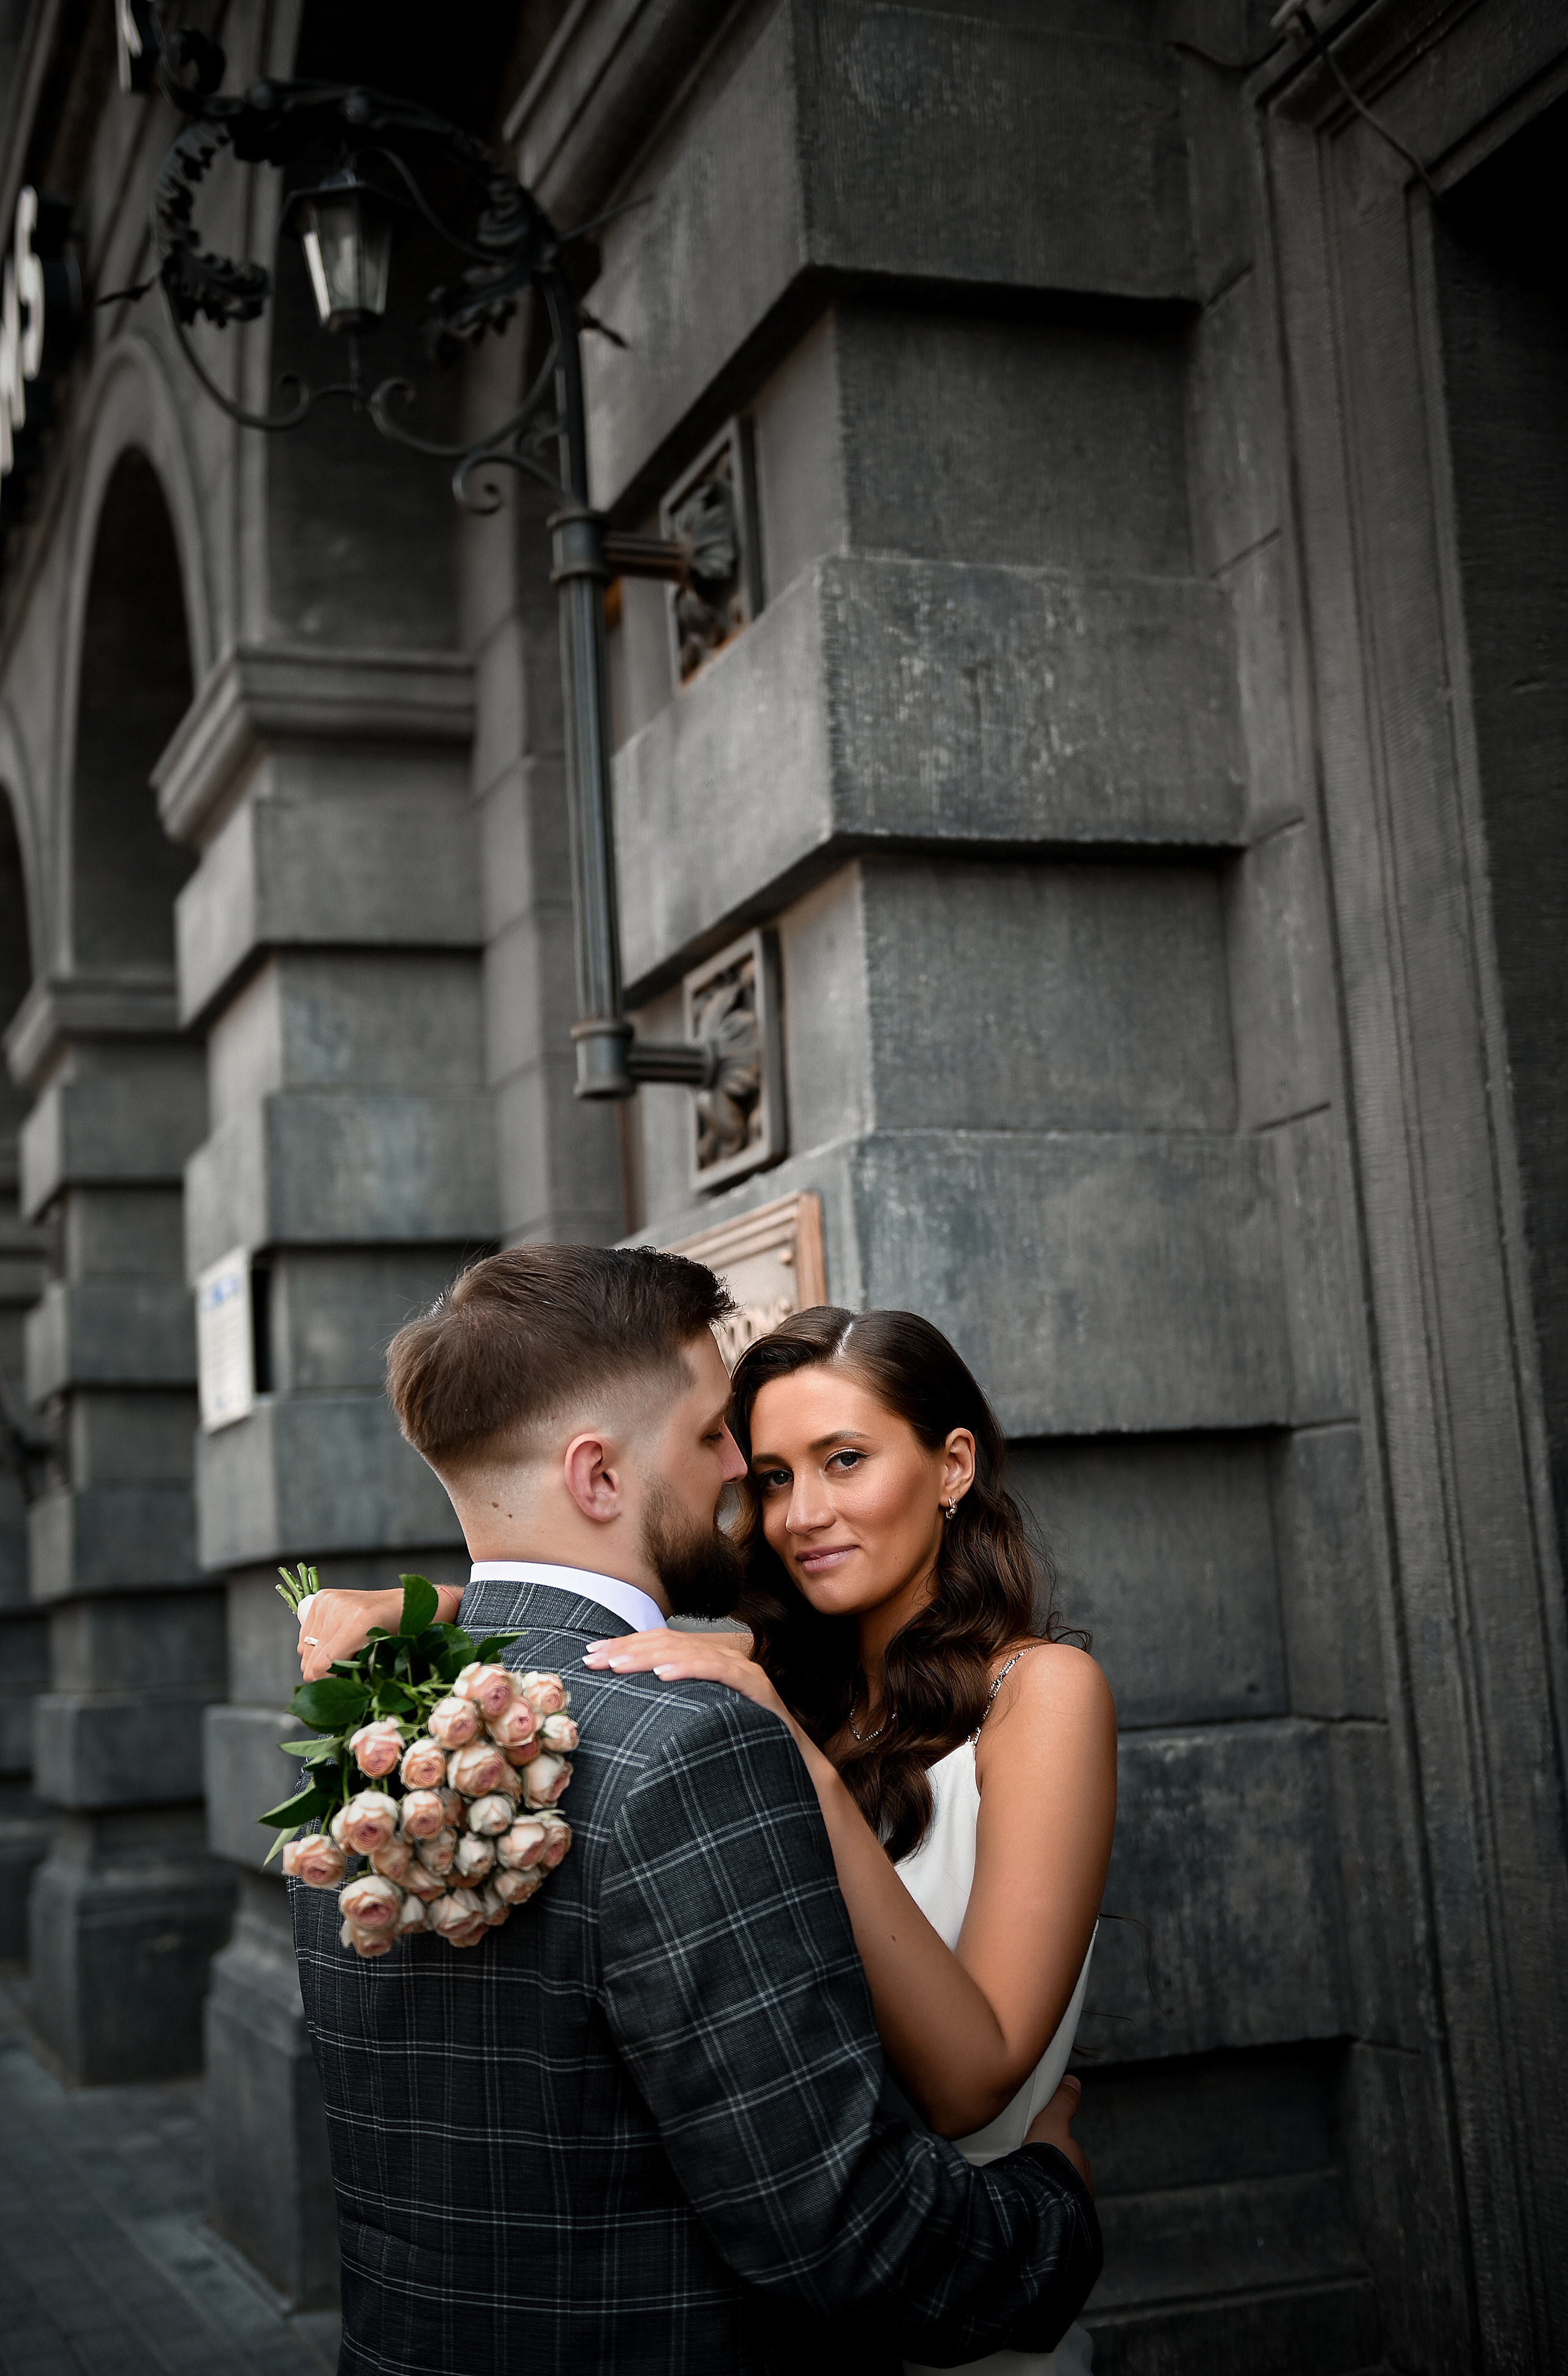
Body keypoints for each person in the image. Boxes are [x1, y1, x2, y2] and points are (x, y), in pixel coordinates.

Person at [291, 1243, 1101, 2375]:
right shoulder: (720, 1710)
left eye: (845, 1459)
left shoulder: (377, 1735)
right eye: (750, 1461)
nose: (766, 1499)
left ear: (953, 1464)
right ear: (599, 1476)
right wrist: (1059, 2202)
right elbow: (834, 2222)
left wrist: (449, 1610)